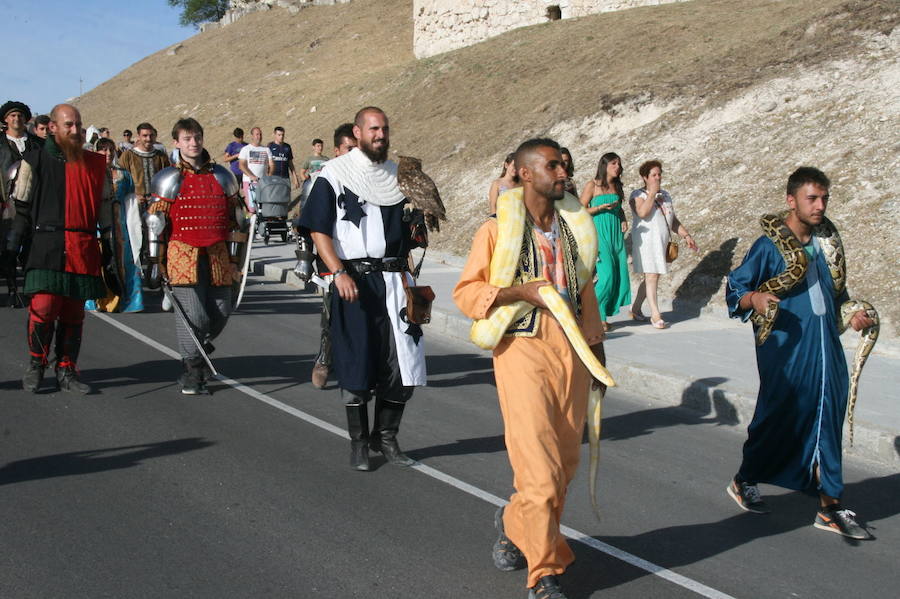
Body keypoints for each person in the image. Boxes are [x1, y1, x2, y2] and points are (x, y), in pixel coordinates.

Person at [454, 138, 606, 599]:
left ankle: (513, 521)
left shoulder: (573, 227)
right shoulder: (498, 229)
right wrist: (520, 293)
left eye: (564, 165)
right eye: (553, 166)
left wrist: (597, 352)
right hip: (523, 349)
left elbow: (582, 293)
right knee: (538, 471)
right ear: (523, 173)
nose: (564, 173)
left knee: (564, 464)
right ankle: (544, 573)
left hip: (573, 351)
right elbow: (466, 293)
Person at [725, 167, 875, 539]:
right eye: (812, 198)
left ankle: (830, 506)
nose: (820, 205)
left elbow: (836, 294)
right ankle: (745, 479)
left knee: (827, 418)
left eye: (824, 198)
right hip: (785, 348)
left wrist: (852, 315)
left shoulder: (826, 244)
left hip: (826, 346)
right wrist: (754, 298)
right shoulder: (769, 246)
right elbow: (736, 287)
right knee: (777, 418)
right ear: (791, 201)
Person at [299, 107, 426, 471]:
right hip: (353, 280)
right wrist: (337, 272)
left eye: (385, 129)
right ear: (357, 132)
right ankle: (359, 442)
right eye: (373, 129)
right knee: (356, 362)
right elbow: (318, 230)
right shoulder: (334, 175)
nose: (381, 135)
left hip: (397, 281)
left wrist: (417, 227)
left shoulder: (397, 178)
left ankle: (385, 437)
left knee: (404, 364)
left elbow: (407, 231)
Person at [7, 103, 113, 394]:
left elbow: (107, 214)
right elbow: (22, 210)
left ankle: (67, 370)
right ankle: (37, 364)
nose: (76, 130)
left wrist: (113, 254)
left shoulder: (95, 164)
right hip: (46, 244)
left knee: (73, 313)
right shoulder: (34, 161)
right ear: (53, 127)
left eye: (78, 124)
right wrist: (11, 249)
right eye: (69, 125)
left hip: (82, 246)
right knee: (43, 307)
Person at [147, 118, 241, 395]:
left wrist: (235, 260)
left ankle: (198, 349)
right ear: (177, 143)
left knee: (222, 312)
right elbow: (155, 222)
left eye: (197, 137)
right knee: (195, 316)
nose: (193, 142)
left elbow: (236, 221)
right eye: (187, 138)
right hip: (181, 253)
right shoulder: (168, 178)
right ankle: (193, 371)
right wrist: (155, 262)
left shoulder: (223, 176)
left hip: (217, 255)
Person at [307, 122, 357, 390]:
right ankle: (324, 359)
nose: (354, 153)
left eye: (357, 148)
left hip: (363, 262)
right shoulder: (323, 180)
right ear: (337, 151)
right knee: (332, 315)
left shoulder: (369, 178)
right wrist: (304, 260)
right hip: (331, 261)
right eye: (349, 148)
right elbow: (307, 225)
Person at [628, 160, 697, 328]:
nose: (657, 178)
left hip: (661, 240)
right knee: (651, 275)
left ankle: (635, 308)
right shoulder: (637, 195)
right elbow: (642, 213)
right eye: (653, 175)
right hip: (646, 241)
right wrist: (652, 194)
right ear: (645, 177)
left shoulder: (665, 195)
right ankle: (655, 315)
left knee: (654, 275)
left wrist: (685, 235)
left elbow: (672, 220)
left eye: (659, 174)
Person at [86, 137, 143, 313]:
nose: (108, 153)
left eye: (111, 149)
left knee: (124, 261)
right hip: (96, 225)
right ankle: (97, 300)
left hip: (119, 226)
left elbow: (131, 202)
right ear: (96, 151)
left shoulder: (124, 175)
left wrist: (134, 227)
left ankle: (127, 300)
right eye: (103, 149)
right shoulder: (89, 172)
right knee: (98, 260)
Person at [579, 152, 630, 330]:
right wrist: (599, 207)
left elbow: (619, 208)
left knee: (618, 275)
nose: (618, 167)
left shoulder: (616, 186)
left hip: (616, 233)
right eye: (614, 164)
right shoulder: (592, 185)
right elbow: (580, 210)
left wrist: (623, 218)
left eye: (619, 164)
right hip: (600, 234)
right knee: (607, 276)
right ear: (604, 165)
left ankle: (602, 315)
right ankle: (591, 313)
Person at [118, 122, 169, 208]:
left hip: (158, 204)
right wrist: (134, 196)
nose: (149, 139)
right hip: (134, 204)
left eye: (151, 135)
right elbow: (121, 181)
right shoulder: (128, 156)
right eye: (145, 136)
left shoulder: (161, 156)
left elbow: (167, 179)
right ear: (138, 137)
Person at [237, 126, 274, 212]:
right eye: (257, 134)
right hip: (249, 183)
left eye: (260, 134)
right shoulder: (246, 149)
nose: (259, 136)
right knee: (251, 209)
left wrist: (270, 175)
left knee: (263, 209)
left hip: (263, 183)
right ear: (252, 136)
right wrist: (251, 176)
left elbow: (272, 164)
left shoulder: (266, 149)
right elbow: (241, 165)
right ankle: (250, 224)